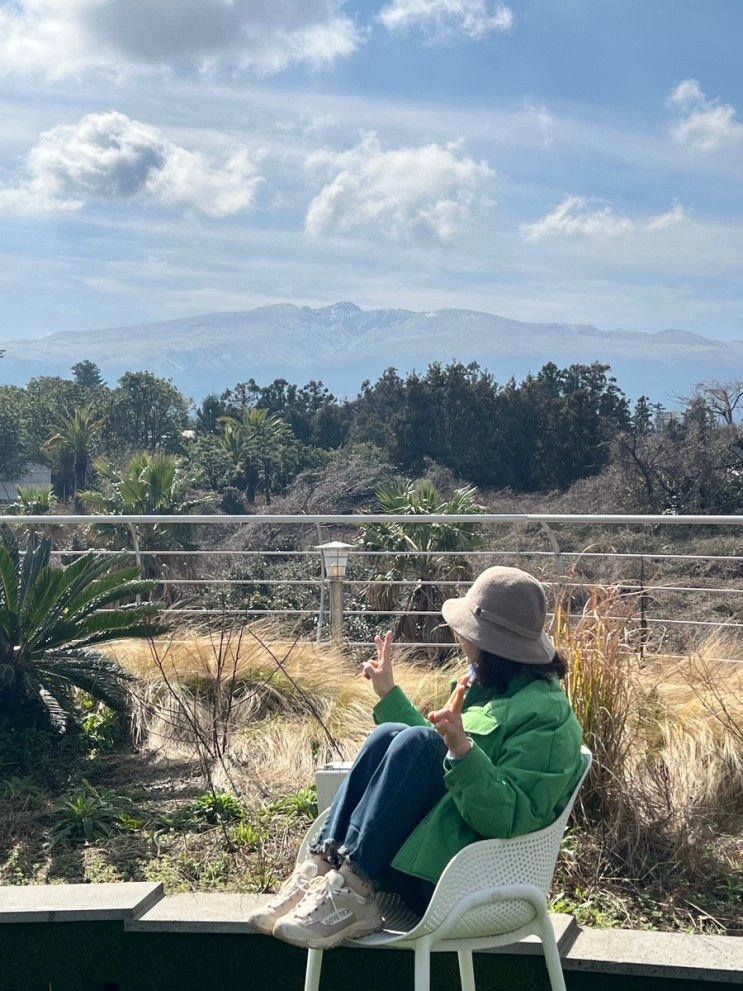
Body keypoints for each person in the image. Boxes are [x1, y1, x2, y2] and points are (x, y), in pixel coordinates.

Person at [248, 566, 584, 949]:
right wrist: (389, 694)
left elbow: (512, 817)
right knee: (389, 734)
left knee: (420, 742)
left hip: (469, 882)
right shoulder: (489, 687)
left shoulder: (549, 719)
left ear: (493, 645)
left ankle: (353, 890)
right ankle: (322, 870)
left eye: (467, 632)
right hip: (422, 860)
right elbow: (429, 755)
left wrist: (462, 749)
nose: (459, 638)